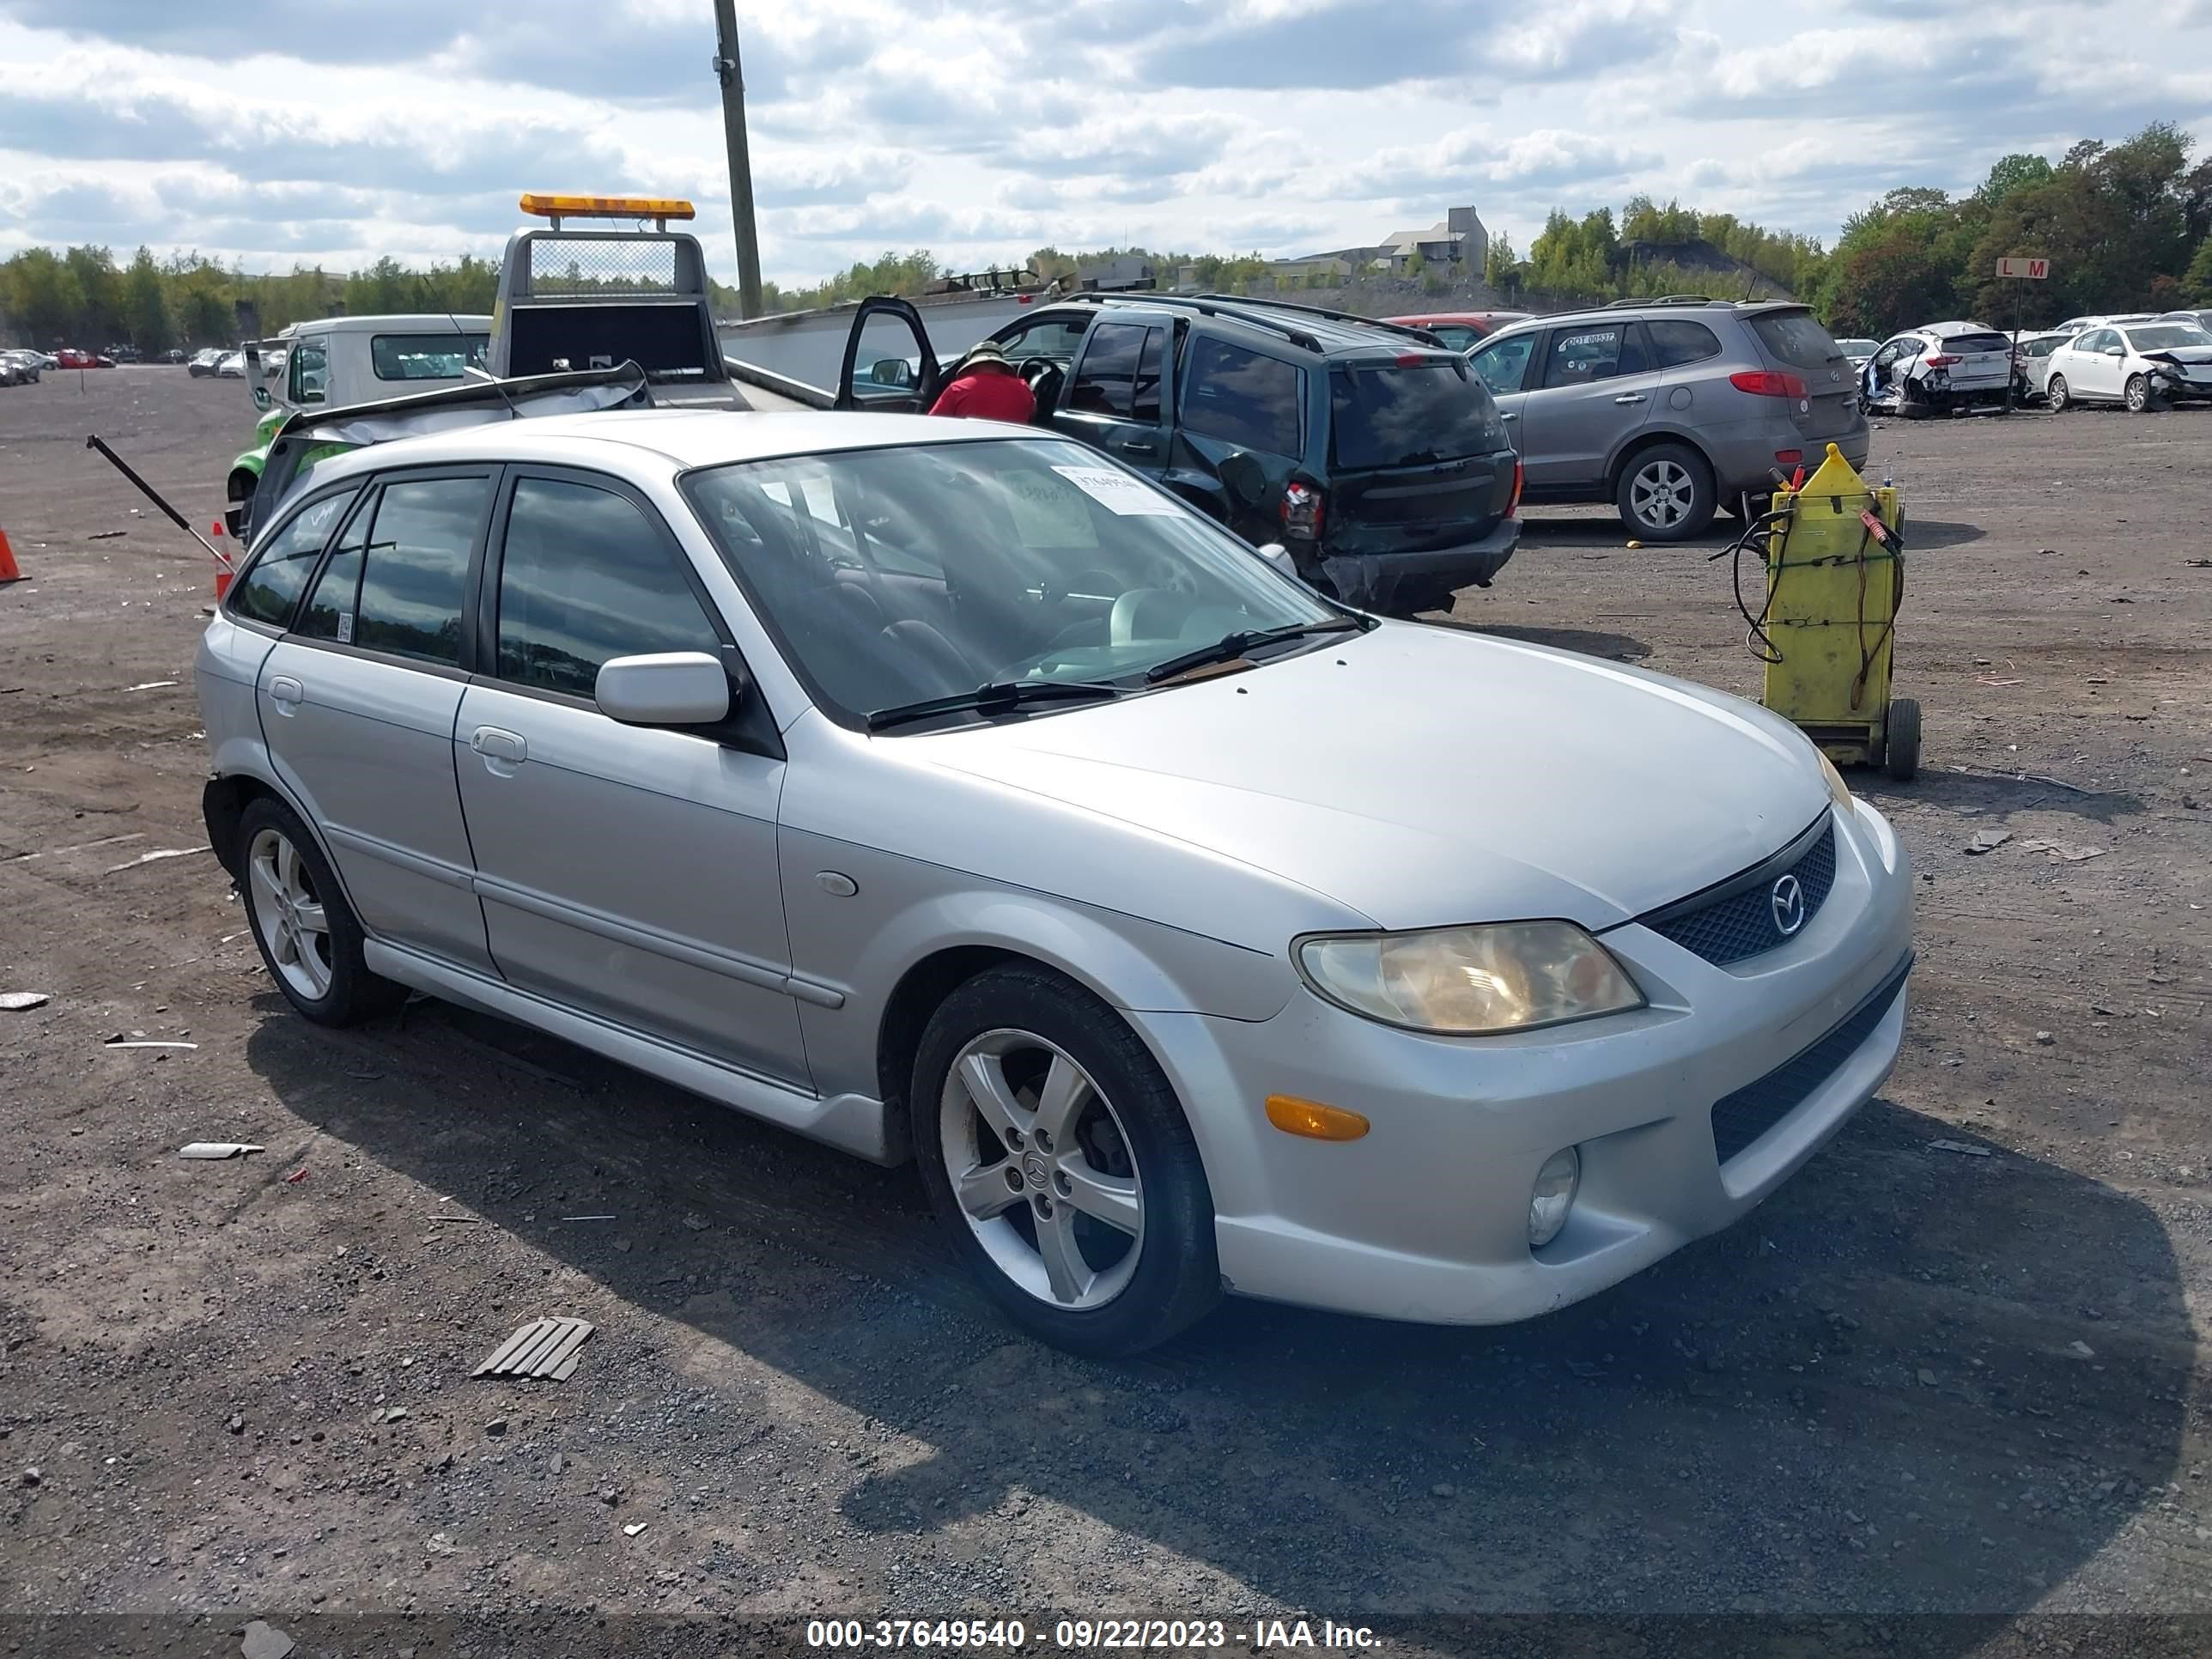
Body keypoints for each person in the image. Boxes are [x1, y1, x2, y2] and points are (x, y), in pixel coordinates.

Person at [927, 339, 1036, 423]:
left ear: (971, 367)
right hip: (1018, 450)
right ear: (1001, 365)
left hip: (971, 450)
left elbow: (933, 423)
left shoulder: (958, 388)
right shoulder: (1023, 387)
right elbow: (1033, 414)